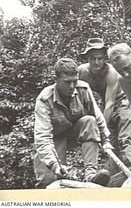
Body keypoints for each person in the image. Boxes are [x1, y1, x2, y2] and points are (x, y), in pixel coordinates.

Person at [34, 58, 114, 188]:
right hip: (53, 140)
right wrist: (55, 165)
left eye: (74, 81)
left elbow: (97, 116)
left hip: (74, 132)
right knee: (48, 182)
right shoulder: (44, 100)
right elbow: (42, 138)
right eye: (67, 82)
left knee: (90, 121)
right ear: (56, 79)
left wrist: (106, 141)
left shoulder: (83, 88)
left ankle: (90, 175)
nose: (72, 86)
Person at [78, 38, 131, 173]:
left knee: (126, 139)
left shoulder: (111, 72)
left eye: (100, 58)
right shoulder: (81, 72)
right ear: (87, 57)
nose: (96, 62)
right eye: (93, 58)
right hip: (102, 106)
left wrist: (101, 130)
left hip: (120, 103)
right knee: (111, 144)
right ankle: (115, 177)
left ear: (104, 58)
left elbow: (110, 103)